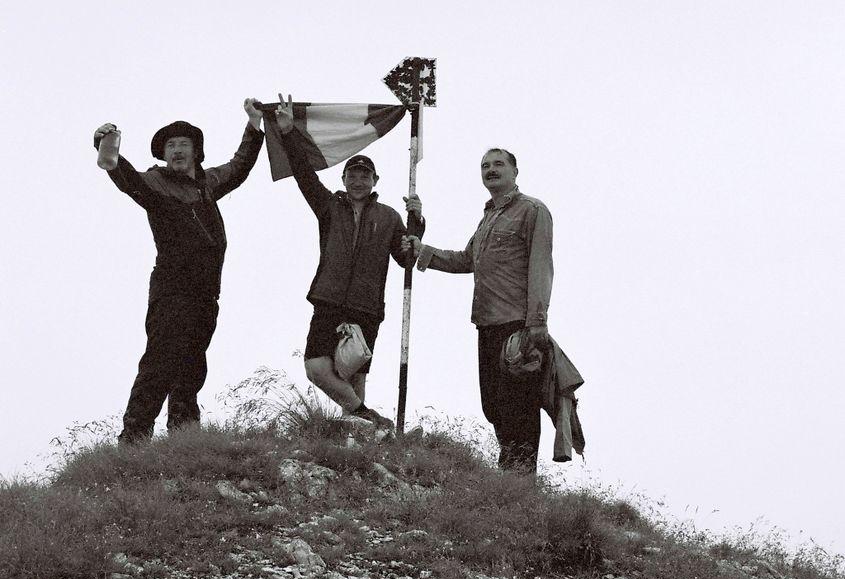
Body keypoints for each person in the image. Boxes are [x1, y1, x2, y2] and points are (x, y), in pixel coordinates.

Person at [93, 99, 265, 444]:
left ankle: (185, 438)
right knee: (160, 362)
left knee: (192, 365)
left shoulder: (208, 182)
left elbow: (240, 166)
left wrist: (254, 124)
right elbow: (129, 180)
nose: (177, 150)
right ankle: (134, 438)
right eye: (171, 145)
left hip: (206, 294)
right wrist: (107, 150)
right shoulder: (156, 182)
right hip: (172, 291)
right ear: (163, 154)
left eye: (184, 144)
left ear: (196, 152)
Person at [273, 93, 424, 430]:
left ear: (375, 181)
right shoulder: (328, 207)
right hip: (328, 299)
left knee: (355, 374)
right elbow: (303, 174)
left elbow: (406, 258)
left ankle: (359, 437)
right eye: (352, 175)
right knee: (316, 366)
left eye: (364, 176)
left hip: (367, 306)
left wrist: (418, 223)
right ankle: (368, 417)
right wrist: (287, 132)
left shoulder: (390, 217)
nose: (358, 181)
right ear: (343, 179)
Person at [406, 148, 554, 472]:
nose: (491, 169)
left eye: (499, 164)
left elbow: (541, 266)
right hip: (486, 323)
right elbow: (466, 260)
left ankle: (520, 478)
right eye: (485, 165)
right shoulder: (488, 218)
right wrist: (423, 251)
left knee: (519, 405)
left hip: (518, 325)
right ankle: (509, 471)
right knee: (494, 405)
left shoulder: (532, 210)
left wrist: (536, 323)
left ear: (515, 171)